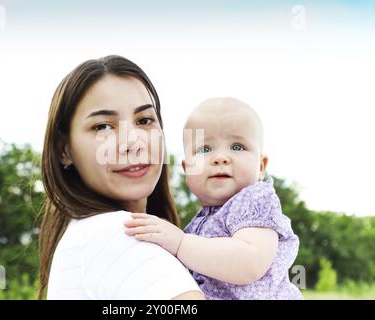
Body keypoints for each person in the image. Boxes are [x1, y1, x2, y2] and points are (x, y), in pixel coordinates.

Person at [38, 55, 204, 300]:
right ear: (65, 151)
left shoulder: (88, 237)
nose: (132, 142)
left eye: (144, 120)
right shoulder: (117, 233)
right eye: (103, 126)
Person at [124, 97, 303, 299]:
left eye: (237, 147)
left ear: (261, 166)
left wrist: (181, 243)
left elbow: (249, 263)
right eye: (205, 149)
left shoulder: (255, 200)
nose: (220, 158)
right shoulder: (197, 226)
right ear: (186, 169)